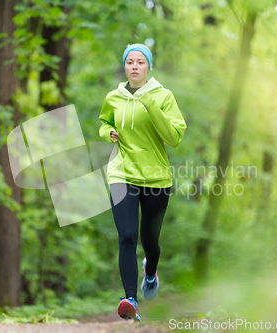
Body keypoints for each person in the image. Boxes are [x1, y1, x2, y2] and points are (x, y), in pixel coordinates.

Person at [98, 43, 187, 321]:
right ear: (125, 66)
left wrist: (149, 102)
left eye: (140, 62)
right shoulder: (114, 96)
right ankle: (130, 299)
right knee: (126, 236)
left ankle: (151, 271)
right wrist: (108, 131)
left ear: (148, 67)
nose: (134, 67)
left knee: (150, 241)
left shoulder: (163, 96)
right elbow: (103, 121)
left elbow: (174, 137)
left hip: (156, 176)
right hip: (121, 173)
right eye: (130, 62)